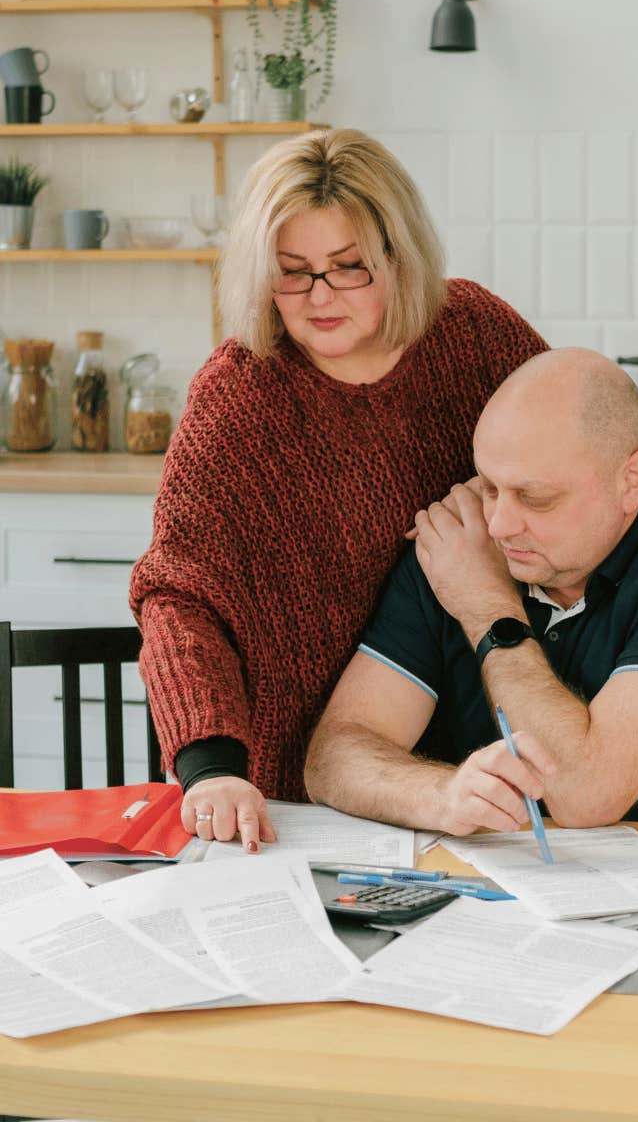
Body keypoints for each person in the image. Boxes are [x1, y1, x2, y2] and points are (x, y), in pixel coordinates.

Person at [129, 128, 547, 853]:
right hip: (296, 801)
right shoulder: (237, 398)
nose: (319, 297)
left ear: (399, 256)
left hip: (489, 776)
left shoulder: (477, 337)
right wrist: (210, 767)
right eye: (291, 272)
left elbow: (564, 466)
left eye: (349, 268)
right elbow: (180, 596)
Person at [304, 348, 638, 832]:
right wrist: (441, 794)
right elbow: (333, 757)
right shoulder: (462, 543)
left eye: (535, 498)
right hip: (499, 894)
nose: (498, 523)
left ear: (631, 481)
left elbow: (582, 793)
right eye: (490, 486)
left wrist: (488, 609)